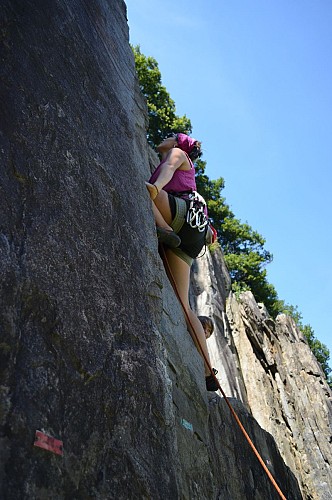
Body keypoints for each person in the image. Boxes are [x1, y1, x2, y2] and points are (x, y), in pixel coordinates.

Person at [145, 132, 218, 392]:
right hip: (193, 238)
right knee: (185, 307)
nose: (164, 138)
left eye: (170, 136)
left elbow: (167, 169)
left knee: (142, 191)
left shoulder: (178, 154)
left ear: (177, 144)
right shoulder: (191, 181)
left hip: (179, 218)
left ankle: (164, 229)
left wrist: (154, 189)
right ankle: (209, 371)